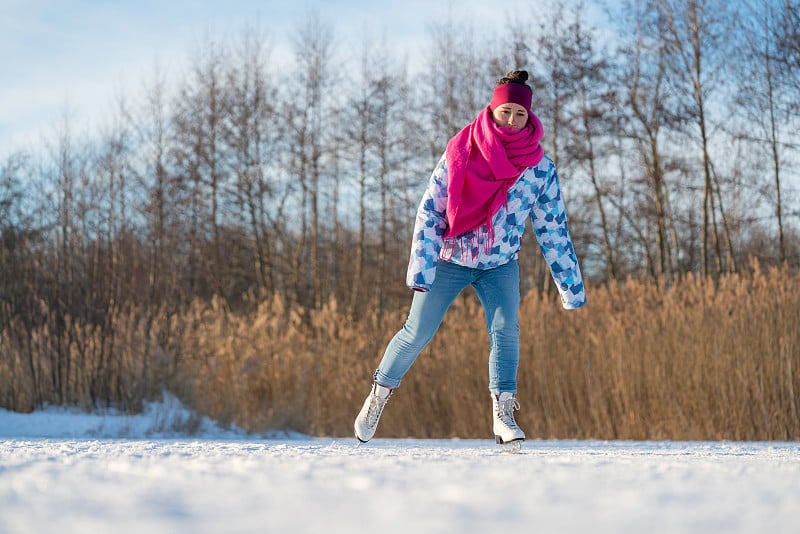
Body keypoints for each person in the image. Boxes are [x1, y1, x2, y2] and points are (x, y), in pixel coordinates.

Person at [353, 70, 586, 451]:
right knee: (417, 331)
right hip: (450, 258)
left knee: (506, 329)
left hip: (500, 263)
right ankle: (378, 395)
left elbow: (553, 229)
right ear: (493, 110)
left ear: (530, 118)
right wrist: (423, 269)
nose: (512, 120)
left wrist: (570, 287)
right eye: (506, 111)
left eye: (520, 115)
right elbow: (430, 211)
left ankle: (503, 412)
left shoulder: (539, 168)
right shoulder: (462, 150)